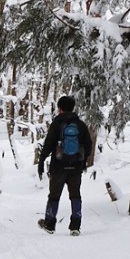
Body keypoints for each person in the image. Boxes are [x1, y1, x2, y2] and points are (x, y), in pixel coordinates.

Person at [38, 96, 92, 236]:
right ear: (73, 108)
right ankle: (75, 226)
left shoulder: (57, 123)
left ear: (60, 108)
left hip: (58, 166)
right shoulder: (80, 125)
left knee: (54, 196)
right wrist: (83, 160)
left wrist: (42, 160)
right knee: (75, 195)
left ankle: (50, 224)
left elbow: (49, 143)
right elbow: (88, 144)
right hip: (76, 167)